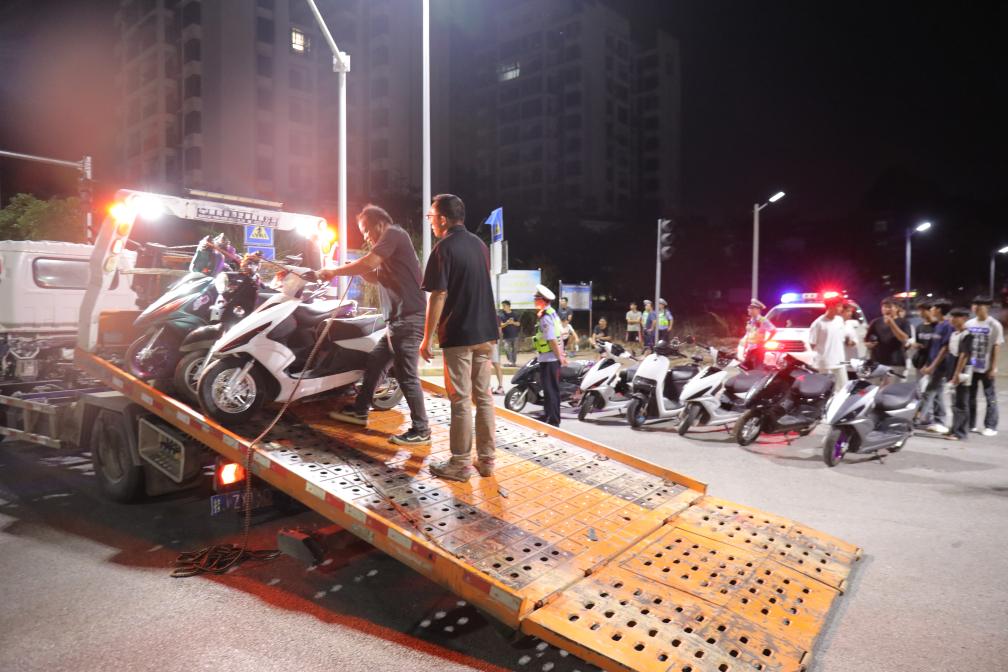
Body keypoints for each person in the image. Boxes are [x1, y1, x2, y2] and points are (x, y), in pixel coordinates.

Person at [320, 204, 430, 446]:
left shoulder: (394, 233)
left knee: (406, 375)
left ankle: (421, 430)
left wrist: (335, 271)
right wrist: (351, 267)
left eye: (367, 230)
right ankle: (360, 411)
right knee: (375, 363)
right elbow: (372, 274)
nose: (366, 237)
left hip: (409, 318)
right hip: (396, 321)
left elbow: (368, 264)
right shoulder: (389, 251)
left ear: (380, 224)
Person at [419, 194, 499, 481]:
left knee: (461, 400)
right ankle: (486, 460)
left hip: (460, 334)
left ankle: (460, 464)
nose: (430, 222)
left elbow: (438, 295)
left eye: (431, 216)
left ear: (442, 219)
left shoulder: (444, 248)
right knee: (484, 397)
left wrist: (427, 337)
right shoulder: (480, 246)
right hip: (486, 333)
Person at [532, 284, 568, 426]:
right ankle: (548, 415)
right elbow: (561, 334)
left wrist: (560, 357)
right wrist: (561, 354)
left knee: (551, 390)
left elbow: (552, 339)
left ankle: (553, 420)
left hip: (550, 358)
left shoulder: (546, 316)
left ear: (542, 300)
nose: (534, 300)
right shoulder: (552, 312)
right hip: (550, 357)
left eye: (536, 298)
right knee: (549, 389)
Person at [966, 296, 1002, 436]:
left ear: (987, 307)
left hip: (986, 367)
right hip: (971, 367)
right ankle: (971, 424)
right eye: (974, 305)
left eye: (979, 306)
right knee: (970, 396)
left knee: (990, 397)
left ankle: (991, 426)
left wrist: (993, 367)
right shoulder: (969, 323)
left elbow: (996, 346)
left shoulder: (994, 324)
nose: (975, 308)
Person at [919, 299, 953, 433]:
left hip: (941, 366)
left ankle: (916, 419)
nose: (931, 310)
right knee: (937, 393)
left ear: (939, 309)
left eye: (933, 308)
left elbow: (945, 349)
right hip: (933, 364)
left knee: (929, 392)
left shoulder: (947, 326)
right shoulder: (938, 325)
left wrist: (932, 366)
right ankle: (940, 421)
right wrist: (927, 364)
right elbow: (933, 347)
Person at [808, 297, 848, 394]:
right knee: (827, 391)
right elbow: (812, 343)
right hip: (825, 364)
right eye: (839, 306)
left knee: (843, 389)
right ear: (830, 306)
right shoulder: (818, 323)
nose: (841, 309)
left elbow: (841, 339)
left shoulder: (839, 320)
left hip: (840, 361)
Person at [947, 307, 975, 441]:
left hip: (962, 373)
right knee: (954, 402)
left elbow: (964, 355)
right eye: (951, 317)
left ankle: (961, 432)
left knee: (961, 402)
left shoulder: (967, 335)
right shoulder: (954, 334)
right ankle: (954, 429)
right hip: (952, 371)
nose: (952, 319)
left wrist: (957, 374)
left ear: (964, 319)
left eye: (955, 317)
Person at [865, 298, 910, 376]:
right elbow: (866, 340)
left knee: (892, 383)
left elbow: (904, 339)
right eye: (884, 307)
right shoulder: (875, 322)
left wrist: (891, 323)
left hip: (896, 362)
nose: (886, 309)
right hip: (877, 362)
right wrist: (869, 344)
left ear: (896, 308)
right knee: (876, 383)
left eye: (889, 307)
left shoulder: (903, 322)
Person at [738, 298, 775, 369]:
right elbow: (749, 334)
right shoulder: (751, 320)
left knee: (756, 369)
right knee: (747, 368)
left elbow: (773, 331)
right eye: (749, 308)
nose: (748, 310)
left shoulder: (763, 320)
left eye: (751, 308)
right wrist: (745, 345)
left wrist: (766, 341)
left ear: (757, 310)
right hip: (750, 348)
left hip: (758, 349)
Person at [909, 299, 936, 379]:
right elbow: (918, 343)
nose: (920, 313)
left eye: (923, 310)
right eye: (919, 311)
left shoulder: (937, 326)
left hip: (933, 362)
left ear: (931, 310)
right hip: (921, 362)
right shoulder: (919, 327)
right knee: (920, 385)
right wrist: (916, 345)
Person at [498, 300, 520, 367]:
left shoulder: (514, 314)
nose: (503, 307)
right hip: (506, 336)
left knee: (514, 349)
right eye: (502, 306)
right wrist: (507, 323)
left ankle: (513, 362)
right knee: (507, 349)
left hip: (515, 335)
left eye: (504, 305)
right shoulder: (501, 315)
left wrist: (513, 322)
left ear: (508, 306)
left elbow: (518, 324)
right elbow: (501, 325)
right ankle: (511, 362)